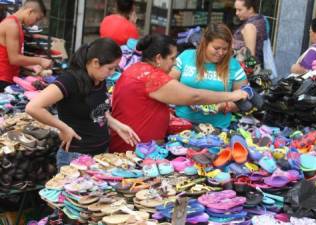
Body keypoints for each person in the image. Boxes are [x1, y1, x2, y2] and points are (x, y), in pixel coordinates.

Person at [110, 33, 248, 153]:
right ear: (158, 58)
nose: (175, 63)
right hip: (133, 152)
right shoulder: (151, 76)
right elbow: (194, 96)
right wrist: (233, 95)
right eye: (172, 58)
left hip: (135, 147)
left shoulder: (138, 69)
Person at [26, 38, 139, 168]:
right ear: (95, 62)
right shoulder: (70, 80)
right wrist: (63, 128)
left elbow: (98, 112)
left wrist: (117, 126)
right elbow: (33, 107)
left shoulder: (98, 79)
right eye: (110, 68)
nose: (112, 73)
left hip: (101, 154)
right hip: (75, 157)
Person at [169, 23, 248, 129]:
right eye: (216, 48)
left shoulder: (233, 66)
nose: (221, 53)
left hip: (217, 129)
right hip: (182, 124)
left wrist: (223, 107)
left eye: (225, 49)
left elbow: (243, 99)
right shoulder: (186, 57)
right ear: (205, 43)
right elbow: (168, 85)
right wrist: (186, 98)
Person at [0, 0, 52, 91]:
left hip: (8, 77)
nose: (34, 24)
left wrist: (31, 66)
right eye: (36, 19)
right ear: (30, 11)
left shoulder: (16, 24)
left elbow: (9, 56)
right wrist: (40, 60)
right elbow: (14, 59)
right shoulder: (12, 25)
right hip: (2, 79)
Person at [233, 0, 267, 65]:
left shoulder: (250, 27)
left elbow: (250, 58)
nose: (236, 13)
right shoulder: (259, 20)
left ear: (251, 9)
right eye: (236, 9)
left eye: (240, 10)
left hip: (242, 69)